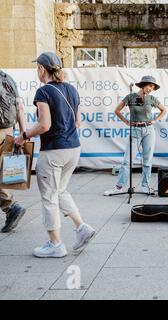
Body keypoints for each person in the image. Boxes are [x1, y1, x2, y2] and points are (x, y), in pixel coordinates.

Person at [14, 52, 95, 258]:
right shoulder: (71, 89)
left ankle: (55, 244)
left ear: (42, 69)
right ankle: (82, 228)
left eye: (37, 68)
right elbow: (77, 122)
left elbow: (44, 125)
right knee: (60, 192)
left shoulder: (43, 92)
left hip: (54, 151)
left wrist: (23, 136)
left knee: (49, 197)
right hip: (73, 149)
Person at [104, 76, 167, 196]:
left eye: (152, 87)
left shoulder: (152, 99)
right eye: (149, 86)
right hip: (135, 131)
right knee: (127, 161)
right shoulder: (130, 97)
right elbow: (117, 110)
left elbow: (164, 110)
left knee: (147, 161)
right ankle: (119, 187)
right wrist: (126, 121)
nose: (150, 89)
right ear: (143, 85)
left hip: (149, 131)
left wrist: (155, 120)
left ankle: (145, 186)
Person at [0, 70, 27, 233]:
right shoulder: (7, 78)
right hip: (8, 129)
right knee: (2, 171)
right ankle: (10, 208)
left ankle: (11, 207)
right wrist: (23, 134)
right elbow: (20, 108)